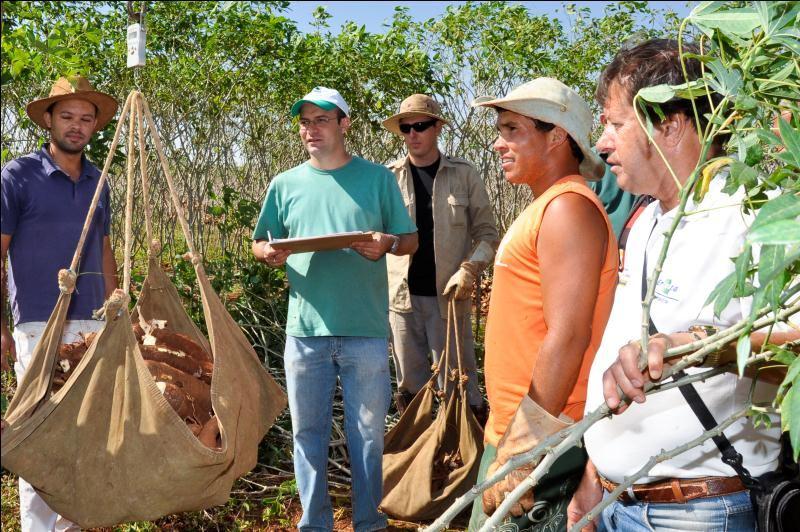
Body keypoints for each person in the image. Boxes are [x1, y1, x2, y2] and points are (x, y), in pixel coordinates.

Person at [568, 39, 800, 531]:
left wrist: (698, 347)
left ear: (668, 124)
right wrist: (597, 475)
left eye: (615, 123)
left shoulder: (760, 213)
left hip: (697, 512)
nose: (602, 141)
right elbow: (621, 353)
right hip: (619, 502)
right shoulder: (647, 219)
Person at [251, 86, 417, 532]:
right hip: (304, 331)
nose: (311, 129)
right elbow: (259, 241)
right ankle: (315, 524)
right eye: (305, 121)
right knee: (308, 434)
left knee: (367, 437)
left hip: (365, 329)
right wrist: (267, 252)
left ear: (344, 124)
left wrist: (387, 244)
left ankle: (369, 522)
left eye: (321, 120)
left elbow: (409, 239)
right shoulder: (284, 184)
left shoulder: (377, 179)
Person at [468, 78, 619, 530]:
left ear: (556, 135)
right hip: (519, 433)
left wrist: (521, 451)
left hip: (544, 442)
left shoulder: (567, 208)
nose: (499, 144)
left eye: (513, 129)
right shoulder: (547, 206)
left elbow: (569, 335)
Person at [1, 75, 119, 532]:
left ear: (95, 127)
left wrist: (114, 313)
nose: (76, 126)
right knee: (40, 438)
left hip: (91, 326)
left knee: (85, 439)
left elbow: (105, 249)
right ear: (48, 119)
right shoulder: (18, 175)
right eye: (67, 116)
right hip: (37, 326)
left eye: (86, 119)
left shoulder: (99, 179)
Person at [382, 94, 498, 420]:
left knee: (458, 382)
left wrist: (469, 270)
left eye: (420, 126)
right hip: (401, 302)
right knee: (410, 387)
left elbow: (487, 234)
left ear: (437, 128)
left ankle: (465, 456)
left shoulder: (464, 175)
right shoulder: (387, 178)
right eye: (406, 128)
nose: (412, 134)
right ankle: (419, 457)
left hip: (447, 298)